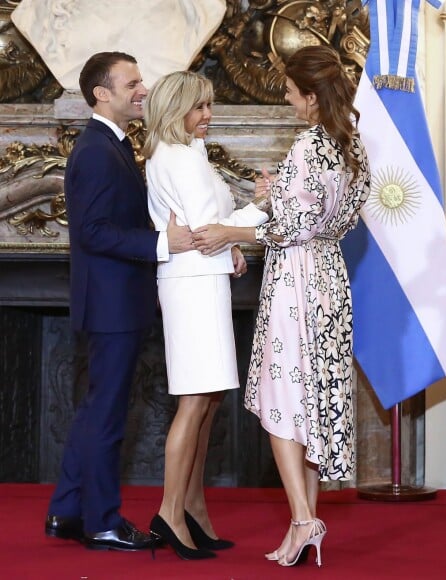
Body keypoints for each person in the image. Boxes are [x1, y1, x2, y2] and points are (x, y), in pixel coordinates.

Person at [191, 45, 371, 568]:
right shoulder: (350, 144)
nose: (290, 102)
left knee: (281, 398)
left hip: (296, 283)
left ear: (312, 96)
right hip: (330, 279)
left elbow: (292, 228)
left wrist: (229, 230)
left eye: (292, 93)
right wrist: (275, 195)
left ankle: (302, 520)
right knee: (308, 402)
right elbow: (328, 216)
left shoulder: (309, 146)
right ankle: (305, 519)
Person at [45, 51, 194, 551]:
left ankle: (67, 511)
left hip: (116, 302)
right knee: (106, 415)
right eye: (131, 83)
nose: (143, 89)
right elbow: (92, 232)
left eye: (141, 80)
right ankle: (102, 522)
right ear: (100, 94)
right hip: (112, 305)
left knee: (94, 410)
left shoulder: (111, 145)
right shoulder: (93, 151)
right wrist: (162, 244)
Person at [142, 70, 270, 560]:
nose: (207, 116)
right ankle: (170, 513)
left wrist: (228, 242)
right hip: (191, 285)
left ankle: (192, 507)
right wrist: (259, 207)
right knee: (194, 401)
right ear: (176, 109)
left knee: (209, 398)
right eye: (199, 107)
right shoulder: (177, 157)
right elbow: (202, 230)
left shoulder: (188, 156)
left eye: (210, 105)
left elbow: (211, 230)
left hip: (201, 279)